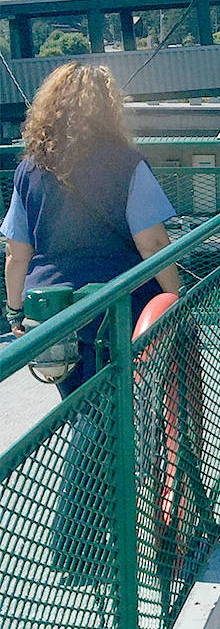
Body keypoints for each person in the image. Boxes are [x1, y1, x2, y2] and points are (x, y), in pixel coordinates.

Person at [2, 63, 181, 580]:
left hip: (52, 313)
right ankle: (74, 549)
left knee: (89, 414)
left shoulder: (31, 167)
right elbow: (151, 244)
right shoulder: (126, 165)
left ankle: (96, 541)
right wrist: (177, 295)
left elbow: (17, 253)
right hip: (114, 310)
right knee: (104, 421)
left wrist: (16, 314)